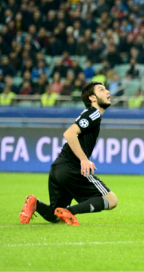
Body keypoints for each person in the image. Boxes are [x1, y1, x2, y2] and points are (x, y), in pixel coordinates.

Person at [19, 82, 117, 226]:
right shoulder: (93, 113)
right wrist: (84, 159)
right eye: (101, 90)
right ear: (92, 98)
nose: (107, 92)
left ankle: (35, 203)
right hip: (72, 168)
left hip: (58, 168)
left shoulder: (91, 115)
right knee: (111, 200)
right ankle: (70, 211)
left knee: (55, 215)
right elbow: (69, 133)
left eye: (106, 89)